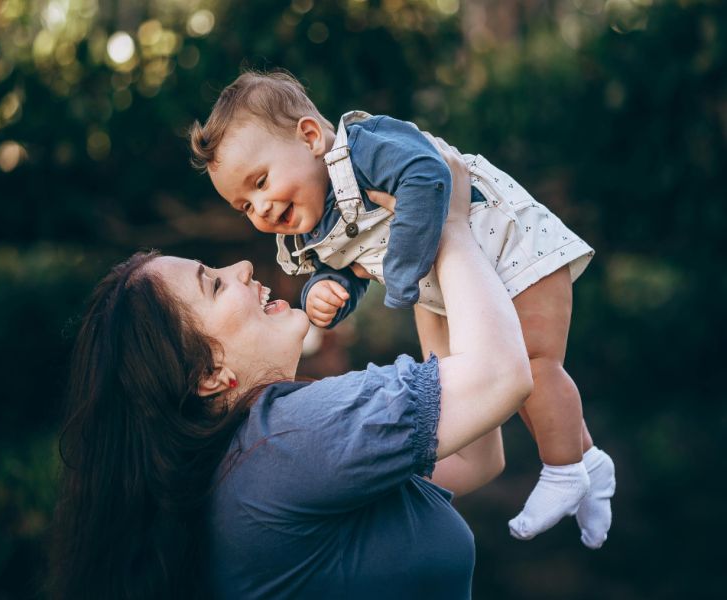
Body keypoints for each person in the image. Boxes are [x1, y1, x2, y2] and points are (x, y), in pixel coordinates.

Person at [50, 144, 532, 599]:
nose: (240, 267)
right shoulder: (283, 439)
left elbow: (473, 459)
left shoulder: (246, 462)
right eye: (214, 286)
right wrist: (445, 221)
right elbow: (498, 377)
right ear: (209, 373)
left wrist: (422, 261)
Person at [189, 70, 615, 546]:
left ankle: (562, 471)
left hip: (513, 245)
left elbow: (429, 174)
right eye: (244, 205)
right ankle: (588, 463)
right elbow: (352, 267)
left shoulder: (365, 149)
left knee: (536, 366)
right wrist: (326, 292)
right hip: (474, 276)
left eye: (261, 182)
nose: (261, 209)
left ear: (310, 137)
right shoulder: (314, 225)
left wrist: (405, 273)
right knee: (526, 379)